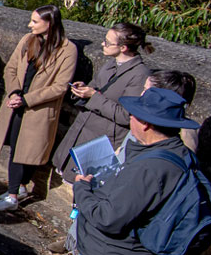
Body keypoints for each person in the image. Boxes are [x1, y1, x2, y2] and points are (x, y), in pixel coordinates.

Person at [69, 87, 202, 255]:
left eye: (133, 114)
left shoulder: (149, 168)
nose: (129, 117)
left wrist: (82, 188)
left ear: (146, 123)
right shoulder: (179, 153)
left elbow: (108, 218)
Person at [0, 5, 78, 212]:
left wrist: (27, 99)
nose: (30, 25)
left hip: (38, 110)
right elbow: (10, 68)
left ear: (50, 24)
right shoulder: (28, 40)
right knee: (17, 149)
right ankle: (17, 189)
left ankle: (12, 196)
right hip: (16, 103)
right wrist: (14, 92)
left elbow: (60, 86)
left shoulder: (68, 50)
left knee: (24, 151)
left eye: (35, 21)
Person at [51, 21, 154, 181]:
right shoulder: (111, 64)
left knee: (86, 186)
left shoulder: (139, 75)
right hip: (83, 132)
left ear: (123, 48)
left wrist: (93, 96)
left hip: (102, 140)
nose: (102, 44)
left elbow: (126, 115)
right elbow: (96, 88)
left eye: (107, 42)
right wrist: (83, 90)